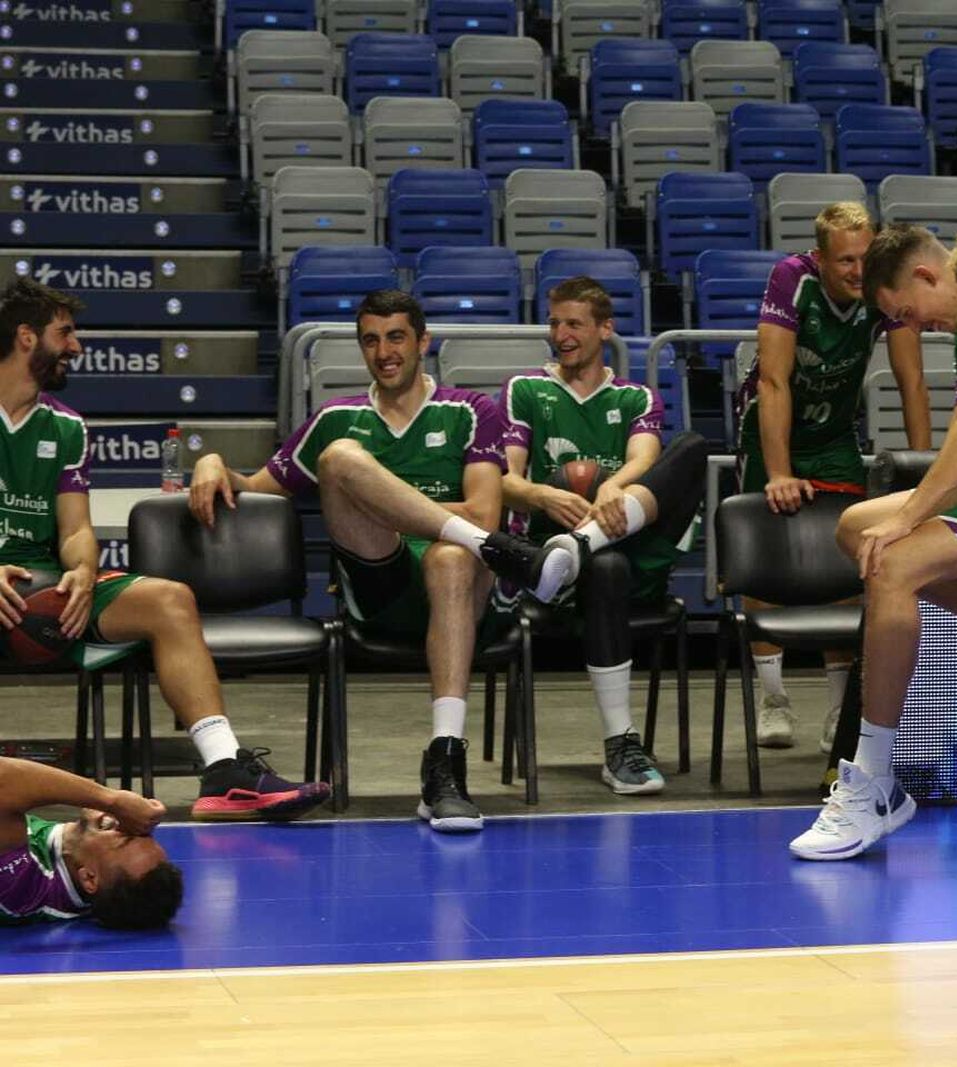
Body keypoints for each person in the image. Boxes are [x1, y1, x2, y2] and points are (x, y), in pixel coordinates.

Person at [189, 289, 550, 834]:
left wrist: (383, 503)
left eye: (397, 337)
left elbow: (483, 508)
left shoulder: (472, 411)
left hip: (460, 592)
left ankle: (445, 763)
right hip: (380, 582)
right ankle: (502, 552)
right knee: (339, 460)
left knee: (454, 556)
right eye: (371, 340)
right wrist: (212, 459)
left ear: (423, 341)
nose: (384, 351)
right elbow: (258, 486)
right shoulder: (337, 418)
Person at [0, 277, 328, 822]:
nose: (77, 346)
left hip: (44, 589)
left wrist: (82, 568)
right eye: (67, 333)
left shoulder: (67, 427)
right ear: (28, 337)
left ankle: (224, 771)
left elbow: (76, 528)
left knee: (169, 598)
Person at [788, 224, 957, 861]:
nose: (912, 327)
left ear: (928, 276)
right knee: (857, 526)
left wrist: (912, 517)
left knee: (893, 561)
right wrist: (917, 511)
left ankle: (875, 780)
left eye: (906, 313)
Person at [735, 201, 932, 752]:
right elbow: (774, 382)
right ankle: (773, 699)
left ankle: (841, 709)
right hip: (772, 427)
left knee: (851, 557)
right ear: (820, 258)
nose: (857, 271)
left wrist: (922, 474)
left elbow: (910, 380)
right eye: (845, 261)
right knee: (769, 556)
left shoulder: (882, 287)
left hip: (836, 435)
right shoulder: (791, 280)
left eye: (865, 259)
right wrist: (777, 472)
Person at [504, 277, 710, 795]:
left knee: (691, 449)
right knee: (606, 565)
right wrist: (545, 497)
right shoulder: (526, 390)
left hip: (628, 535)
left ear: (604, 328)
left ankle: (581, 545)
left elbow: (645, 457)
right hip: (558, 567)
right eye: (555, 323)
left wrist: (613, 489)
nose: (562, 334)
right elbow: (504, 478)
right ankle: (621, 744)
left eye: (574, 323)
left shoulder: (635, 396)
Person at [0, 756, 181, 928]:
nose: (127, 824)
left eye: (124, 838)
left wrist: (112, 800)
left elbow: (4, 779)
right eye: (143, 834)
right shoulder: (65, 862)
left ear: (89, 878)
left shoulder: (20, 888)